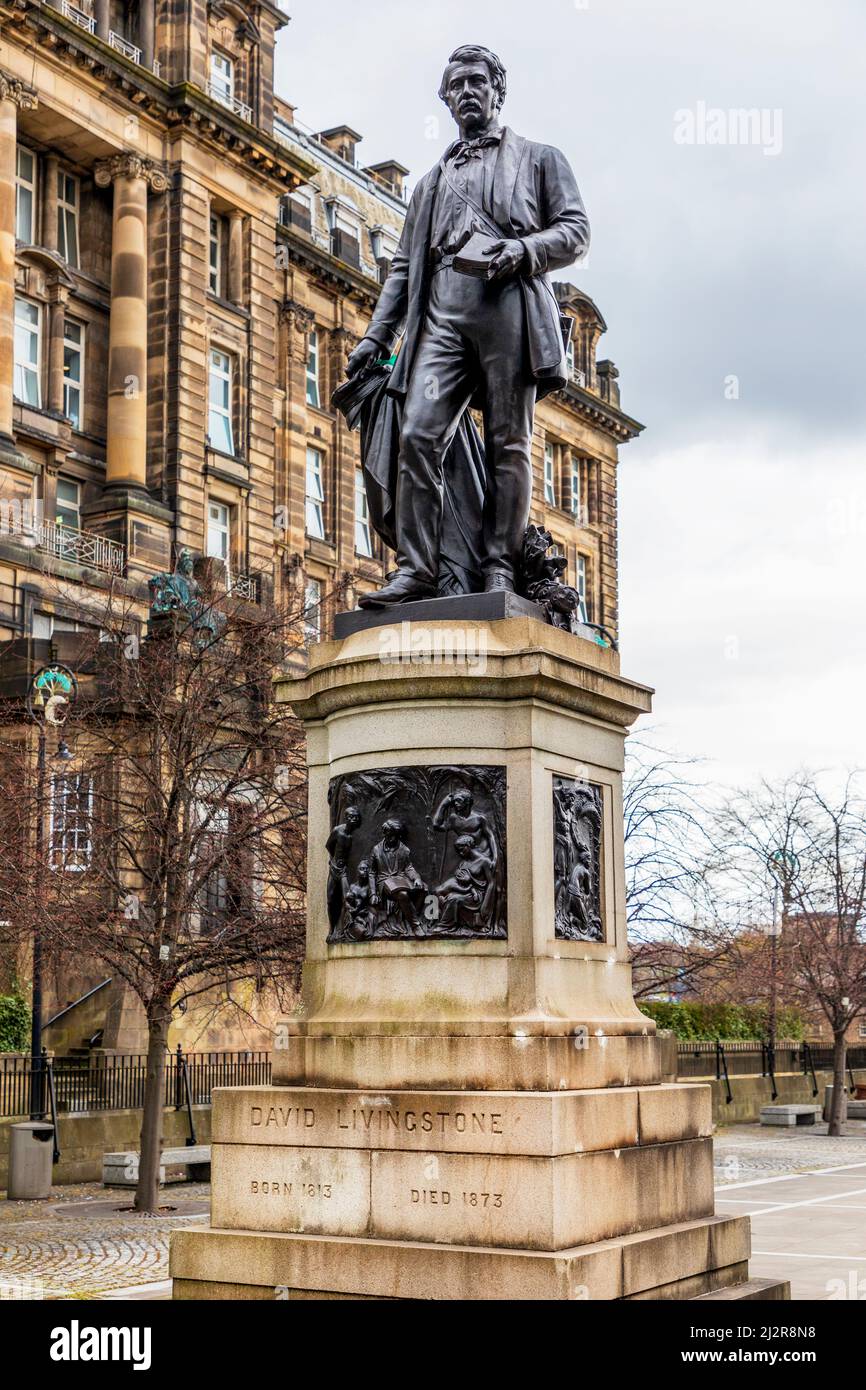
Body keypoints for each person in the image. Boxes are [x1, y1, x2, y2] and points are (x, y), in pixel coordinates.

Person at [346, 44, 589, 606]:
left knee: (510, 443)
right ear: (446, 99)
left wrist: (522, 249)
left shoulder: (538, 158)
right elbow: (405, 267)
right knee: (417, 435)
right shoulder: (429, 184)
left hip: (507, 309)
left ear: (497, 89)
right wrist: (375, 337)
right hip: (443, 319)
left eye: (476, 81)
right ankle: (419, 568)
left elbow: (575, 231)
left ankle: (500, 566)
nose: (466, 92)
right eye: (455, 86)